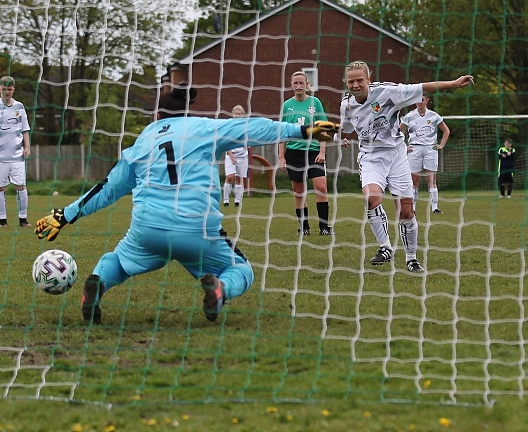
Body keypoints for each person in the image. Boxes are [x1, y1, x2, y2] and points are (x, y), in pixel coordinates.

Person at [35, 82, 338, 324]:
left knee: (117, 259)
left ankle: (98, 284)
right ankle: (220, 290)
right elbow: (252, 128)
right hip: (197, 230)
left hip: (148, 230)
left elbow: (108, 188)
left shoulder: (144, 140)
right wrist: (302, 130)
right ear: (186, 113)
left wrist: (65, 215)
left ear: (158, 117)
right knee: (242, 270)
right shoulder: (203, 128)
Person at [337, 60, 473, 271]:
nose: (355, 85)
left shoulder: (388, 92)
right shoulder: (346, 103)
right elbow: (344, 126)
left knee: (406, 211)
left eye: (359, 80)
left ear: (368, 80)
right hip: (371, 157)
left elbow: (423, 87)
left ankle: (411, 258)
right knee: (371, 198)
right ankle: (385, 247)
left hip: (397, 155)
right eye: (350, 81)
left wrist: (453, 84)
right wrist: (341, 137)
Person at [278, 71, 333, 236]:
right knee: (299, 191)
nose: (298, 86)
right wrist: (281, 157)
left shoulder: (315, 102)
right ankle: (304, 227)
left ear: (306, 84)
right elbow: (282, 133)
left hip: (314, 152)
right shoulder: (287, 105)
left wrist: (322, 150)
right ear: (291, 85)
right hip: (294, 154)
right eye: (295, 83)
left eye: (301, 83)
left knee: (321, 187)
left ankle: (324, 227)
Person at [0, 76, 31, 227]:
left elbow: (25, 129)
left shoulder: (20, 107)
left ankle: (23, 219)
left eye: (9, 89)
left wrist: (27, 147)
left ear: (13, 90)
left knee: (21, 186)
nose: (7, 92)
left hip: (17, 155)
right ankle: (2, 221)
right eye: (4, 89)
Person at [400, 94, 450, 213]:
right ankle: (413, 208)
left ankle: (435, 208)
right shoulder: (409, 116)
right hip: (414, 149)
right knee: (414, 180)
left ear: (427, 100)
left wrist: (441, 145)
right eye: (417, 100)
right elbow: (398, 132)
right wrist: (404, 146)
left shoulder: (434, 116)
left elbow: (446, 131)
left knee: (431, 179)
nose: (420, 102)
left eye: (422, 100)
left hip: (430, 149)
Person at [222, 105, 249, 208]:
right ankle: (226, 201)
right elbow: (226, 143)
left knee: (239, 179)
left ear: (243, 115)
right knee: (230, 177)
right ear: (232, 114)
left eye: (239, 114)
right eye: (236, 114)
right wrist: (232, 156)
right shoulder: (229, 127)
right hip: (231, 156)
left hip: (243, 157)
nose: (237, 116)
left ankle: (237, 201)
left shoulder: (245, 128)